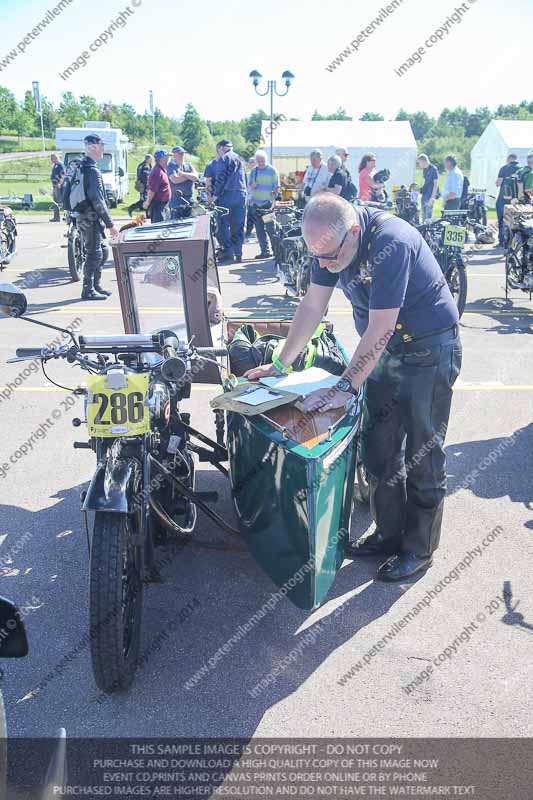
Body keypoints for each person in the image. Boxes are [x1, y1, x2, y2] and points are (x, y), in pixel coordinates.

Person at [245, 193, 462, 582]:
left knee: (423, 453)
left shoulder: (392, 241)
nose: (323, 264)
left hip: (427, 351)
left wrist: (344, 387)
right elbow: (313, 306)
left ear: (355, 232)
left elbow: (381, 327)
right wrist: (280, 363)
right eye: (316, 256)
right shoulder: (329, 245)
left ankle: (419, 548)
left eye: (329, 257)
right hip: (382, 352)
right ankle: (388, 534)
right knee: (378, 450)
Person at [75, 133, 119, 301]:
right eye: (101, 145)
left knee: (103, 252)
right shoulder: (91, 170)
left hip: (88, 217)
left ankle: (96, 285)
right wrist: (110, 224)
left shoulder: (86, 166)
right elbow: (97, 200)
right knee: (94, 254)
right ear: (92, 147)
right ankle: (87, 290)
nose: (103, 149)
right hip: (89, 219)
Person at [212, 139, 247, 264]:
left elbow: (221, 178)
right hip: (241, 194)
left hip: (227, 195)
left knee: (224, 225)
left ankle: (228, 254)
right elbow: (245, 178)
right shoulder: (240, 159)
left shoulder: (224, 158)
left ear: (221, 148)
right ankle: (238, 253)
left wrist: (215, 195)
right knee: (238, 225)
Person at [248, 149, 280, 259]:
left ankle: (276, 251)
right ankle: (264, 251)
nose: (261, 163)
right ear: (256, 161)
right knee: (259, 229)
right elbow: (249, 184)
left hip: (267, 205)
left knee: (271, 229)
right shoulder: (254, 171)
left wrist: (273, 199)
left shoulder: (272, 170)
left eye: (263, 160)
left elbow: (277, 186)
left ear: (266, 160)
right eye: (259, 161)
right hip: (256, 205)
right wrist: (252, 185)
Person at [495, 153, 520, 246]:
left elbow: (498, 183)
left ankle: (502, 241)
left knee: (502, 220)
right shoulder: (521, 169)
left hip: (504, 199)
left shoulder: (504, 168)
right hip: (517, 200)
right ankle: (514, 242)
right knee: (516, 221)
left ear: (508, 159)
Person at [167, 145, 198, 219]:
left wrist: (183, 174)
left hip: (189, 198)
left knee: (190, 220)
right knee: (176, 220)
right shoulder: (171, 166)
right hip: (176, 199)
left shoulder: (189, 165)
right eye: (179, 153)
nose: (182, 155)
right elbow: (175, 180)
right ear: (174, 155)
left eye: (182, 153)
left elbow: (195, 177)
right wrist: (189, 177)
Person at [144, 150, 171, 223]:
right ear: (161, 159)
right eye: (167, 157)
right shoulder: (157, 171)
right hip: (158, 204)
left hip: (163, 204)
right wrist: (148, 202)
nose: (168, 159)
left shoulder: (162, 170)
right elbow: (152, 190)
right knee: (159, 225)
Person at [417, 153, 438, 221]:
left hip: (430, 196)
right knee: (423, 216)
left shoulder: (434, 169)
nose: (419, 165)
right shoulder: (425, 170)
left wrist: (432, 197)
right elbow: (425, 183)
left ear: (424, 161)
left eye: (420, 163)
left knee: (428, 217)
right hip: (424, 196)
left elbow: (435, 185)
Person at [49, 154, 65, 222]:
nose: (51, 160)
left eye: (52, 158)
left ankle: (63, 216)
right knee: (55, 201)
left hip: (58, 185)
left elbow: (63, 175)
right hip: (55, 185)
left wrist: (60, 184)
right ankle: (56, 217)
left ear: (56, 157)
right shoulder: (55, 165)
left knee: (59, 201)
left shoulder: (59, 164)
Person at [245, 156, 257, 239]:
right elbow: (247, 187)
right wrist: (248, 197)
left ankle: (259, 235)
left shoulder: (260, 173)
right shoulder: (248, 174)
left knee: (259, 217)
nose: (252, 163)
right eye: (250, 162)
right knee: (250, 216)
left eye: (253, 161)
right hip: (251, 199)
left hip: (260, 199)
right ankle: (248, 234)